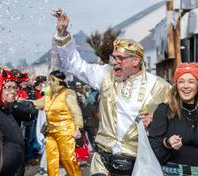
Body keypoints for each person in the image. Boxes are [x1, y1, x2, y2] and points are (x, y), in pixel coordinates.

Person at [52, 9, 171, 175]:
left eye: (120, 59)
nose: (115, 63)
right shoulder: (105, 75)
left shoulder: (159, 86)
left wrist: (156, 120)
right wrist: (63, 35)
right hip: (102, 161)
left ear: (136, 61)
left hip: (135, 165)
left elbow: (177, 118)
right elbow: (74, 65)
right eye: (114, 58)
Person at [149, 63, 198, 176]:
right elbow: (153, 148)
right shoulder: (164, 110)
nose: (185, 86)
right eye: (181, 81)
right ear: (176, 86)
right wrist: (167, 143)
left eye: (191, 81)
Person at [34, 70, 83, 176]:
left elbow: (76, 112)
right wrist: (21, 101)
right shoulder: (49, 95)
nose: (49, 82)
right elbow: (38, 104)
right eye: (48, 80)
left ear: (58, 81)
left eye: (51, 80)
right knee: (51, 161)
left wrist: (78, 128)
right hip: (51, 132)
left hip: (65, 131)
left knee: (68, 160)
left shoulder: (68, 93)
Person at [0, 69, 36, 176]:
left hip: (16, 168)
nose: (13, 91)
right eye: (8, 87)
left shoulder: (8, 107)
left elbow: (30, 113)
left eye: (15, 88)